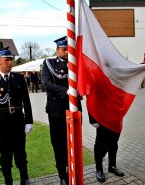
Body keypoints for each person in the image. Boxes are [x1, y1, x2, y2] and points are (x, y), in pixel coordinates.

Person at [0, 46, 33, 185]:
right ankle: (8, 181)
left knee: (21, 153)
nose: (9, 63)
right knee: (5, 156)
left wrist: (29, 121)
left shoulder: (19, 78)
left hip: (18, 121)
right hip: (1, 124)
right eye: (6, 60)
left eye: (11, 60)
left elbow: (26, 101)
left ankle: (24, 179)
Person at [41, 36, 81, 185]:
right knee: (59, 143)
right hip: (56, 110)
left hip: (74, 109)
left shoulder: (76, 63)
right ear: (57, 50)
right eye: (64, 49)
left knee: (74, 141)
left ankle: (74, 169)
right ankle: (61, 173)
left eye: (68, 49)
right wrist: (66, 91)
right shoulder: (49, 63)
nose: (66, 51)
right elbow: (46, 83)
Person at [89, 114, 124, 183]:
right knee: (99, 145)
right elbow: (91, 103)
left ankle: (112, 166)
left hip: (116, 119)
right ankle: (99, 169)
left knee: (113, 144)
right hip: (102, 119)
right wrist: (93, 120)